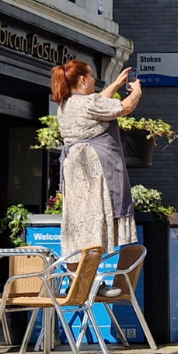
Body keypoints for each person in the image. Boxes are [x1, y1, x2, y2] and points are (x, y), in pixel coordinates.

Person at [52, 60, 140, 298]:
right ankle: (90, 282)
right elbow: (123, 108)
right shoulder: (88, 103)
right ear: (82, 79)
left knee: (76, 225)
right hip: (94, 171)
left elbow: (97, 102)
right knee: (95, 223)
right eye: (91, 77)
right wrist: (137, 92)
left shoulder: (67, 104)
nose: (93, 81)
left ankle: (75, 281)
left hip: (75, 171)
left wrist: (115, 84)